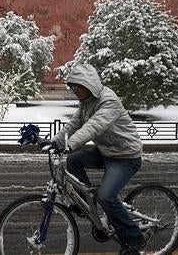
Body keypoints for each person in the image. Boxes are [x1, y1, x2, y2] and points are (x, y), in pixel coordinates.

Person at [44, 63, 145, 255]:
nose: (74, 90)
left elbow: (94, 127)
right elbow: (73, 125)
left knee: (106, 196)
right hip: (106, 151)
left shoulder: (109, 101)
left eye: (77, 86)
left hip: (125, 156)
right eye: (72, 86)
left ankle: (134, 239)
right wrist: (53, 141)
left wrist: (68, 144)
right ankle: (85, 204)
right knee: (74, 160)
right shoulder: (86, 102)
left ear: (89, 84)